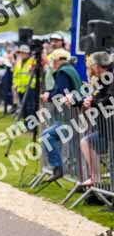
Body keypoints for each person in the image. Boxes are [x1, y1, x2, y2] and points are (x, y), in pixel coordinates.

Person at [39, 49, 85, 182]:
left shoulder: (62, 72)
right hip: (75, 115)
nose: (52, 63)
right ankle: (79, 179)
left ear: (58, 60)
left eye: (53, 60)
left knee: (47, 136)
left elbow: (61, 93)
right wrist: (50, 93)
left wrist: (49, 96)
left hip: (68, 116)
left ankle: (57, 168)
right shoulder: (71, 69)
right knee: (75, 148)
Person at [80, 51, 114, 191]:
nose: (91, 68)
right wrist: (88, 101)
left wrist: (93, 102)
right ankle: (96, 178)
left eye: (92, 65)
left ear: (97, 66)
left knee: (112, 162)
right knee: (86, 142)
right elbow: (96, 96)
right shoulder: (101, 78)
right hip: (105, 127)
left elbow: (110, 99)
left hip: (110, 126)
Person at [12, 45, 36, 112]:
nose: (21, 54)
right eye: (20, 53)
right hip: (21, 89)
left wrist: (32, 85)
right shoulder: (18, 62)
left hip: (30, 88)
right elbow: (15, 75)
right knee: (23, 109)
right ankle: (25, 122)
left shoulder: (33, 62)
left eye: (23, 53)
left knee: (30, 108)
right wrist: (15, 84)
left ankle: (30, 122)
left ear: (27, 53)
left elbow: (37, 76)